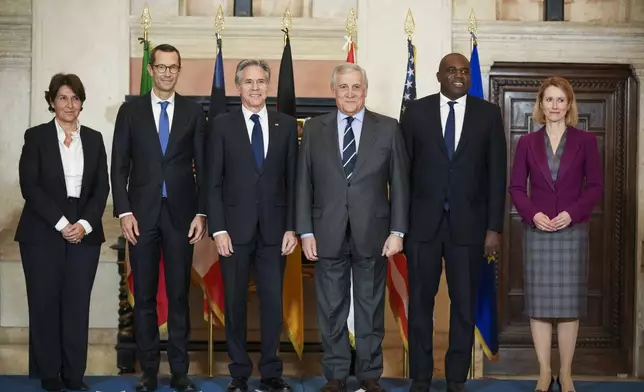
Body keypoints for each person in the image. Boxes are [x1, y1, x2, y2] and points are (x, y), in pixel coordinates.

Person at [295, 63, 409, 392]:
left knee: (370, 306)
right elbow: (303, 183)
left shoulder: (387, 128)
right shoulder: (314, 128)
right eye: (343, 87)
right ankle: (336, 375)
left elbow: (400, 184)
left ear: (365, 90)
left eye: (355, 87)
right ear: (333, 90)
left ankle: (370, 374)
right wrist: (305, 231)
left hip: (373, 233)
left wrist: (397, 232)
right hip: (326, 232)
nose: (349, 93)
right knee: (331, 307)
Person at [400, 53, 507, 392]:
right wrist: (399, 228)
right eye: (452, 70)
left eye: (463, 71)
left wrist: (494, 228)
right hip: (422, 229)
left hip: (470, 230)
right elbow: (402, 174)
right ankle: (420, 376)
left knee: (463, 305)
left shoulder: (488, 114)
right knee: (420, 305)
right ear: (438, 75)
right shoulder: (415, 112)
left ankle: (456, 378)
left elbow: (496, 175)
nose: (459, 75)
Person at [111, 44, 206, 392]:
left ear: (179, 71)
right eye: (161, 67)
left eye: (173, 67)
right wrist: (124, 211)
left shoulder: (194, 112)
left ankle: (180, 371)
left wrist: (202, 212)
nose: (167, 72)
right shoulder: (130, 111)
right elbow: (118, 165)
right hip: (141, 216)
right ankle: (148, 370)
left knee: (180, 296)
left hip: (182, 216)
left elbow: (204, 167)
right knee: (146, 296)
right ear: (151, 70)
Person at [206, 59, 298, 392]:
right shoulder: (220, 125)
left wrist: (292, 227)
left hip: (276, 232)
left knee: (273, 303)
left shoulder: (286, 125)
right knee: (234, 303)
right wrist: (217, 229)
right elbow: (212, 182)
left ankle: (272, 373)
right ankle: (239, 374)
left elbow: (295, 180)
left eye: (261, 82)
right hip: (232, 231)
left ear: (268, 86)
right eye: (248, 82)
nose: (255, 88)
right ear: (237, 86)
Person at [15, 73, 109, 392]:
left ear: (82, 102)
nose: (69, 104)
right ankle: (49, 374)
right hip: (42, 229)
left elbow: (101, 189)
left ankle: (73, 374)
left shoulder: (95, 139)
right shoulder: (36, 136)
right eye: (63, 98)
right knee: (44, 303)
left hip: (85, 229)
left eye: (75, 98)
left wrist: (83, 225)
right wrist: (61, 224)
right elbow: (30, 186)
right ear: (52, 102)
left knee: (76, 303)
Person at [508, 76, 603, 392]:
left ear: (569, 105)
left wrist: (571, 214)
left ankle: (566, 374)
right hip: (537, 230)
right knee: (540, 305)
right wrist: (534, 214)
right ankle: (544, 373)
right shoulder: (526, 142)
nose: (555, 106)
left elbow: (595, 187)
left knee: (567, 306)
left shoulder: (586, 141)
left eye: (560, 100)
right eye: (549, 99)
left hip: (571, 231)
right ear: (540, 104)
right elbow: (517, 188)